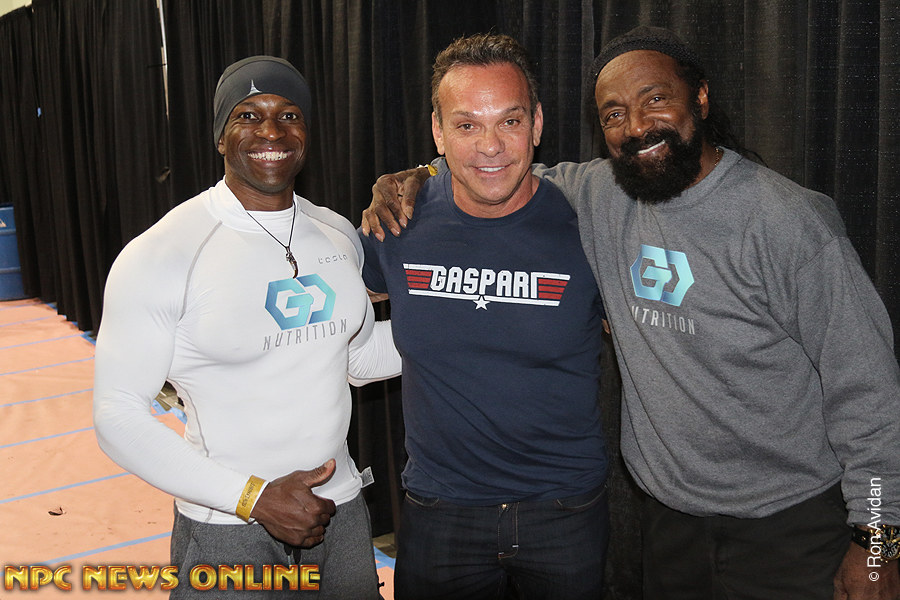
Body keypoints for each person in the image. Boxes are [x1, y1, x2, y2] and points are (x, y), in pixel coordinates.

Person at [364, 26, 900, 600]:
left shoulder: (787, 221)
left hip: (792, 525)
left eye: (656, 99)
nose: (638, 126)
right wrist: (418, 175)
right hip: (670, 523)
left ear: (700, 97)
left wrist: (879, 543)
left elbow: (869, 391)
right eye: (615, 114)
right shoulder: (601, 193)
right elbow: (494, 170)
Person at [93, 56, 400, 599]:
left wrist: (461, 325)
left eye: (288, 115)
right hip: (228, 525)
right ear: (220, 136)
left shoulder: (335, 232)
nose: (271, 132)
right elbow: (116, 414)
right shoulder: (162, 253)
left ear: (306, 131)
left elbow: (354, 358)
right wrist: (253, 498)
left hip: (341, 508)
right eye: (248, 115)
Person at [358, 33, 610, 599]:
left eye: (509, 121)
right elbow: (324, 324)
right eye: (467, 124)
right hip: (440, 510)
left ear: (537, 124)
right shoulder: (397, 221)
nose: (490, 146)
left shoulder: (588, 225)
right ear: (438, 132)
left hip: (565, 509)